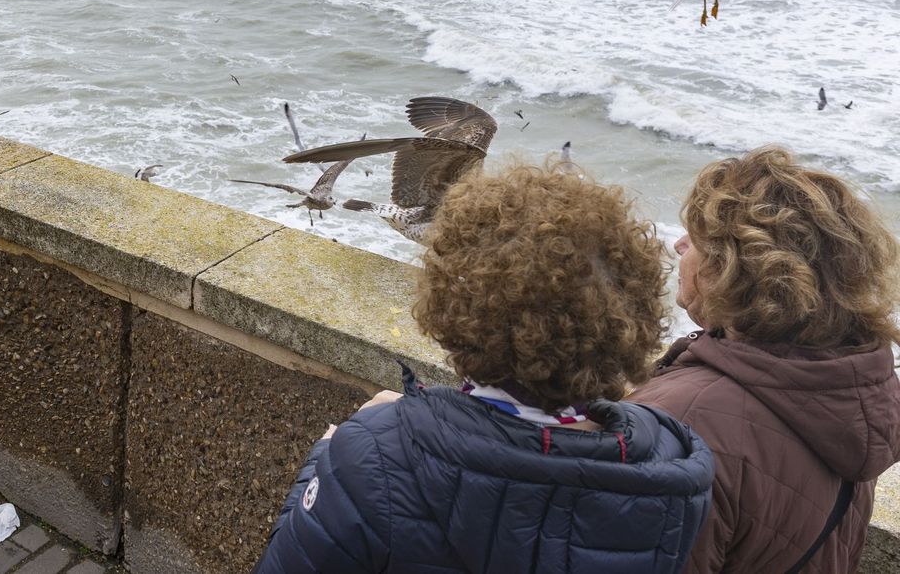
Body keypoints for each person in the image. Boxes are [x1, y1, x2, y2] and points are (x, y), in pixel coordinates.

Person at [254, 163, 713, 573]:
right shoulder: (672, 467)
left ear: (455, 310)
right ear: (631, 319)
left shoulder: (373, 458)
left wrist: (331, 456)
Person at [632, 147, 900, 573]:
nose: (680, 244)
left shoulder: (682, 419)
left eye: (697, 238)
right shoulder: (854, 391)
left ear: (731, 269)